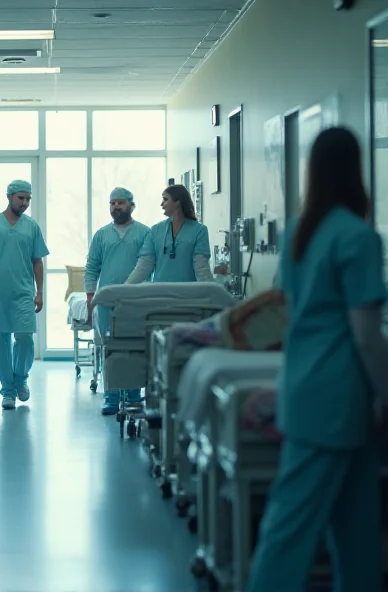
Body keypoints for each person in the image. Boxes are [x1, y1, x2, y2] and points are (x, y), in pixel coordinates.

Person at [247, 127, 388, 592]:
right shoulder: (358, 238)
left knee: (357, 531)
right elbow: (367, 335)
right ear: (356, 170)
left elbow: (285, 313)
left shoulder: (298, 235)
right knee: (302, 532)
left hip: (306, 389)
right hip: (340, 398)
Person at [0, 180, 49, 410]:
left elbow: (38, 261)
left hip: (24, 292)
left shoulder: (32, 227)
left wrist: (39, 291)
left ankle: (20, 378)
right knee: (1, 341)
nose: (25, 203)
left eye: (28, 199)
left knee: (25, 337)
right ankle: (7, 391)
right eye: (21, 198)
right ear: (9, 197)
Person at [85, 187, 150, 415]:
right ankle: (111, 396)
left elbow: (150, 266)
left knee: (135, 347)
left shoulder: (144, 233)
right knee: (108, 348)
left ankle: (133, 396)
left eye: (120, 203)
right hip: (107, 301)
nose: (116, 207)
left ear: (132, 205)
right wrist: (90, 297)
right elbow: (92, 267)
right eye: (112, 203)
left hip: (136, 301)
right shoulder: (102, 235)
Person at [125, 184, 213, 284]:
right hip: (161, 294)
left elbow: (201, 268)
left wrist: (213, 293)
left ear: (177, 202)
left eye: (165, 199)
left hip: (188, 295)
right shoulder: (155, 230)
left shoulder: (199, 230)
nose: (161, 204)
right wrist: (125, 288)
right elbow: (144, 266)